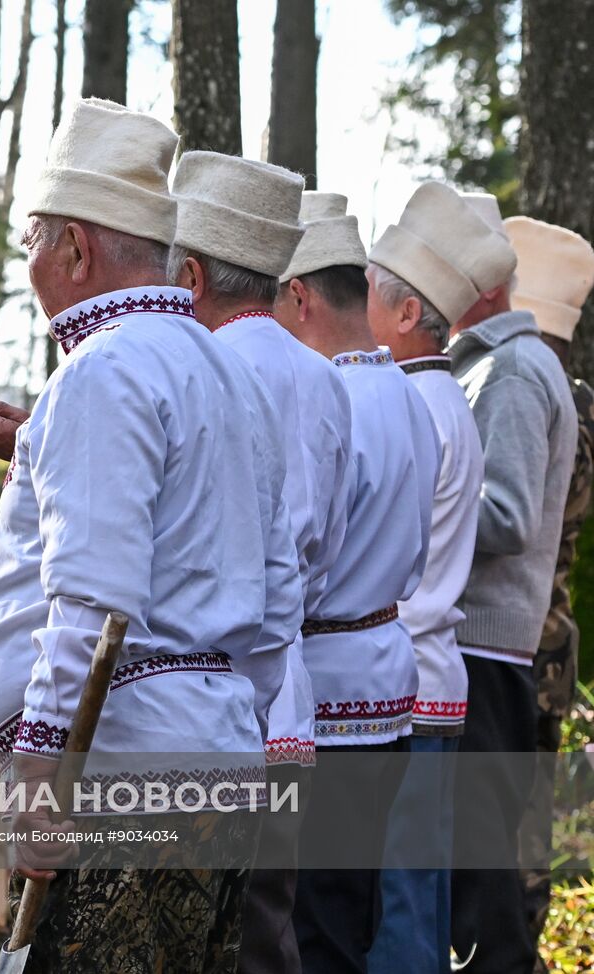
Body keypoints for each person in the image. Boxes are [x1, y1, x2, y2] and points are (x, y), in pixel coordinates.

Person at [0, 98, 301, 973]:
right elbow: (276, 601)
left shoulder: (105, 368)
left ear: (75, 248)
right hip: (211, 759)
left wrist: (39, 776)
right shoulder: (227, 372)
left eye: (31, 242)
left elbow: (94, 601)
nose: (29, 264)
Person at [167, 161, 351, 974]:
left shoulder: (194, 372)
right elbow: (325, 549)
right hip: (289, 696)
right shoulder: (324, 377)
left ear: (192, 276)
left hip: (199, 702)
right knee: (269, 938)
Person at [272, 190, 441, 974]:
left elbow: (298, 555)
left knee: (316, 926)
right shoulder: (410, 394)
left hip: (329, 686)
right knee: (353, 908)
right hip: (387, 675)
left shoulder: (326, 396)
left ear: (299, 296)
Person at [361, 182, 498, 974]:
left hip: (405, 683)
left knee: (399, 906)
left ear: (409, 312)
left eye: (368, 296)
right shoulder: (444, 399)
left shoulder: (412, 405)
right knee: (419, 894)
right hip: (434, 677)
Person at [445, 200, 576, 974]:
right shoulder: (492, 364)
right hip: (476, 647)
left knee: (482, 884)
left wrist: (411, 504)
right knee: (469, 870)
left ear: (484, 282)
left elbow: (509, 516)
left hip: (484, 650)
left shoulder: (513, 371)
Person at [502, 215, 594, 945]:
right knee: (523, 834)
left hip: (512, 640)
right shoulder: (579, 401)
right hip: (551, 634)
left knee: (500, 841)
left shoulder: (528, 397)